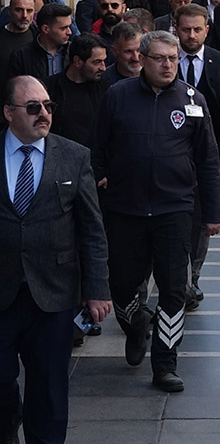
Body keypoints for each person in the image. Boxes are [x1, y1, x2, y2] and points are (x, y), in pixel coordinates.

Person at [90, 31, 220, 392]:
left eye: (173, 59)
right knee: (120, 284)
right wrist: (101, 178)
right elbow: (97, 146)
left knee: (173, 290)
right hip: (125, 209)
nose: (168, 65)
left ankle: (165, 363)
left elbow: (207, 160)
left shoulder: (193, 100)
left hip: (175, 210)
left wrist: (212, 211)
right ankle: (136, 325)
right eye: (160, 58)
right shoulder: (117, 96)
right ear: (142, 60)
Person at [0, 75, 110, 443]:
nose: (43, 114)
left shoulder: (74, 156)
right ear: (8, 113)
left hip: (54, 295)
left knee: (48, 390)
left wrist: (97, 290)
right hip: (2, 293)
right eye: (33, 108)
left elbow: (92, 229)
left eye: (48, 106)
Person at [174, 3, 220, 307]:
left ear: (207, 30)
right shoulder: (167, 61)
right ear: (176, 29)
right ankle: (179, 277)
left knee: (202, 219)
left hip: (206, 154)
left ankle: (193, 276)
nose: (191, 35)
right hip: (172, 154)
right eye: (185, 29)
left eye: (197, 29)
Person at [45, 33, 108, 146]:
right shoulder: (49, 88)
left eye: (104, 61)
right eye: (97, 62)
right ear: (78, 61)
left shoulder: (106, 88)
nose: (103, 68)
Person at [4, 4, 73, 86]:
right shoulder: (21, 56)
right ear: (45, 29)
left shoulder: (74, 51)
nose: (69, 32)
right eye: (63, 28)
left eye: (69, 27)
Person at [0, 0, 36, 69]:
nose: (25, 15)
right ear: (9, 11)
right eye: (19, 10)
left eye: (29, 11)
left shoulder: (39, 37)